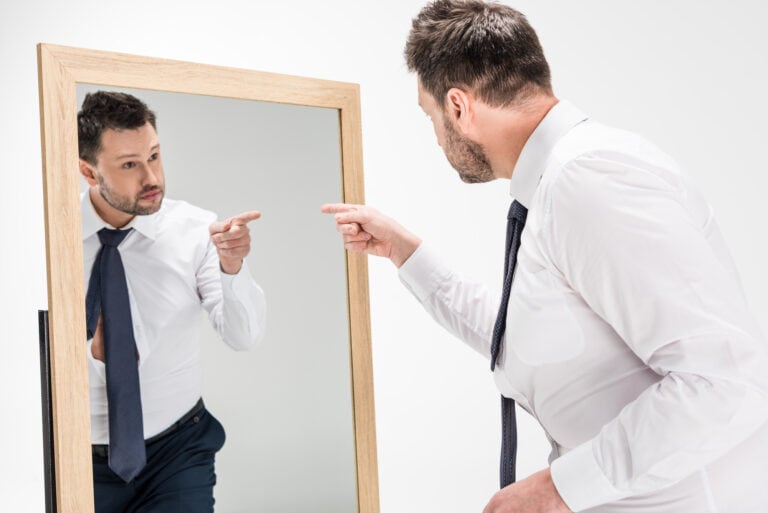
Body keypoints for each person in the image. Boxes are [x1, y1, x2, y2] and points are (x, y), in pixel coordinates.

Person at [322, 1, 768, 512]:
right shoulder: (554, 187)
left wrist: (557, 489)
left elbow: (726, 379)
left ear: (459, 108)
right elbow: (525, 337)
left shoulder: (587, 180)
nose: (436, 136)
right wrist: (405, 252)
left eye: (431, 117)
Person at [78, 90, 267, 513]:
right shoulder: (53, 238)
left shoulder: (196, 230)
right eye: (129, 165)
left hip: (176, 453)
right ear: (89, 172)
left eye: (155, 156)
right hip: (77, 459)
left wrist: (232, 267)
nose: (152, 178)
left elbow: (243, 337)